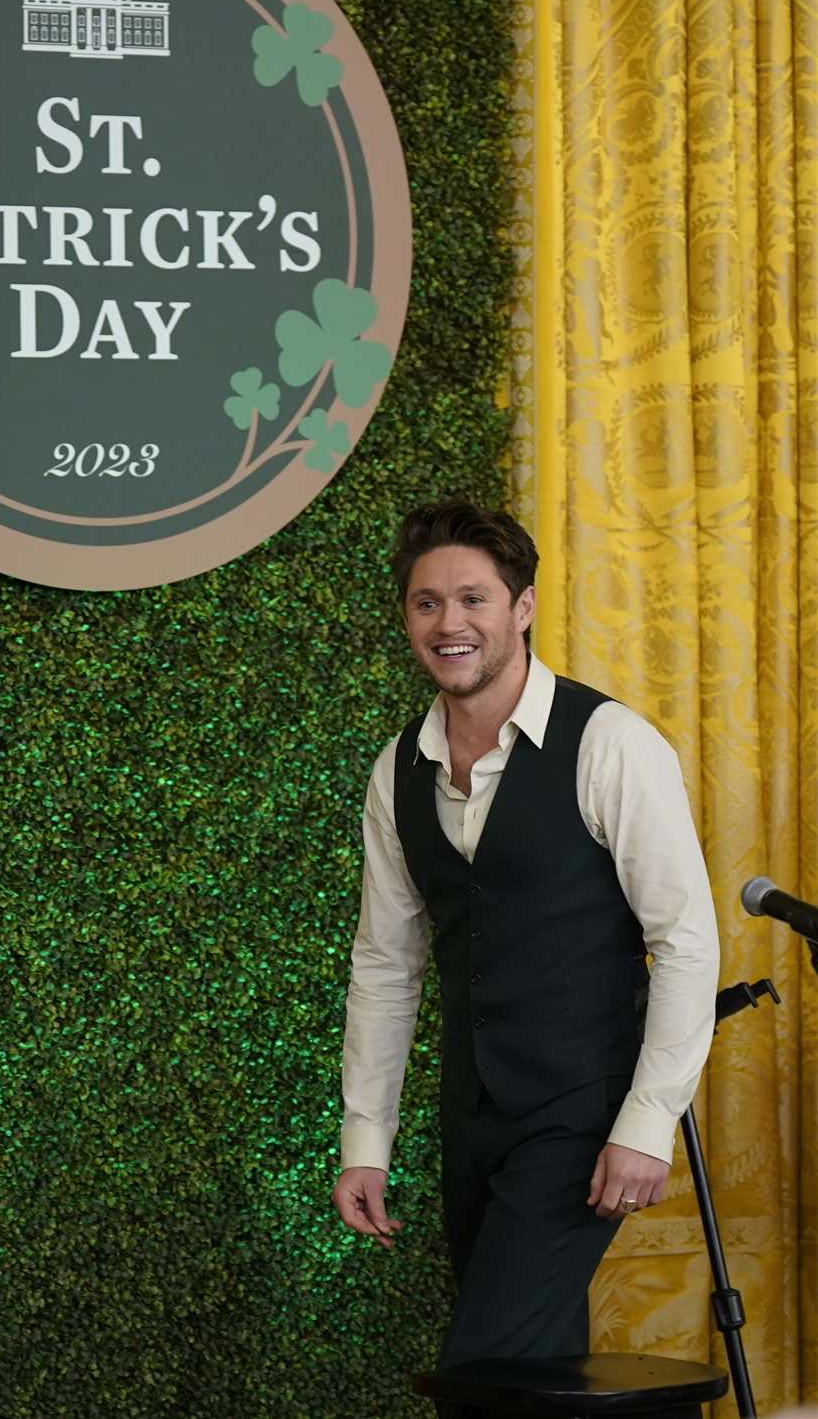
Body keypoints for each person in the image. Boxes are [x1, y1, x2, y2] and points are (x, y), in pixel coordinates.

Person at [331, 500, 721, 1415]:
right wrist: (366, 1141)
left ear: (524, 607)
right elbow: (386, 964)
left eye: (473, 598)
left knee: (484, 1377)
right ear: (407, 619)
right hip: (471, 1120)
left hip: (581, 1118)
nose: (450, 623)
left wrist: (644, 1121)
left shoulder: (613, 745)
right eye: (427, 603)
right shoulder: (397, 770)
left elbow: (687, 942)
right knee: (539, 1380)